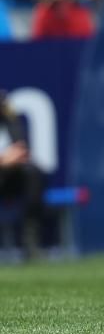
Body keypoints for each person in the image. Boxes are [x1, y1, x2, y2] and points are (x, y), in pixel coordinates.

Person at [0, 91, 44, 258]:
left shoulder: (7, 114)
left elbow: (21, 148)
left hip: (10, 175)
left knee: (33, 173)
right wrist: (3, 159)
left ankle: (30, 242)